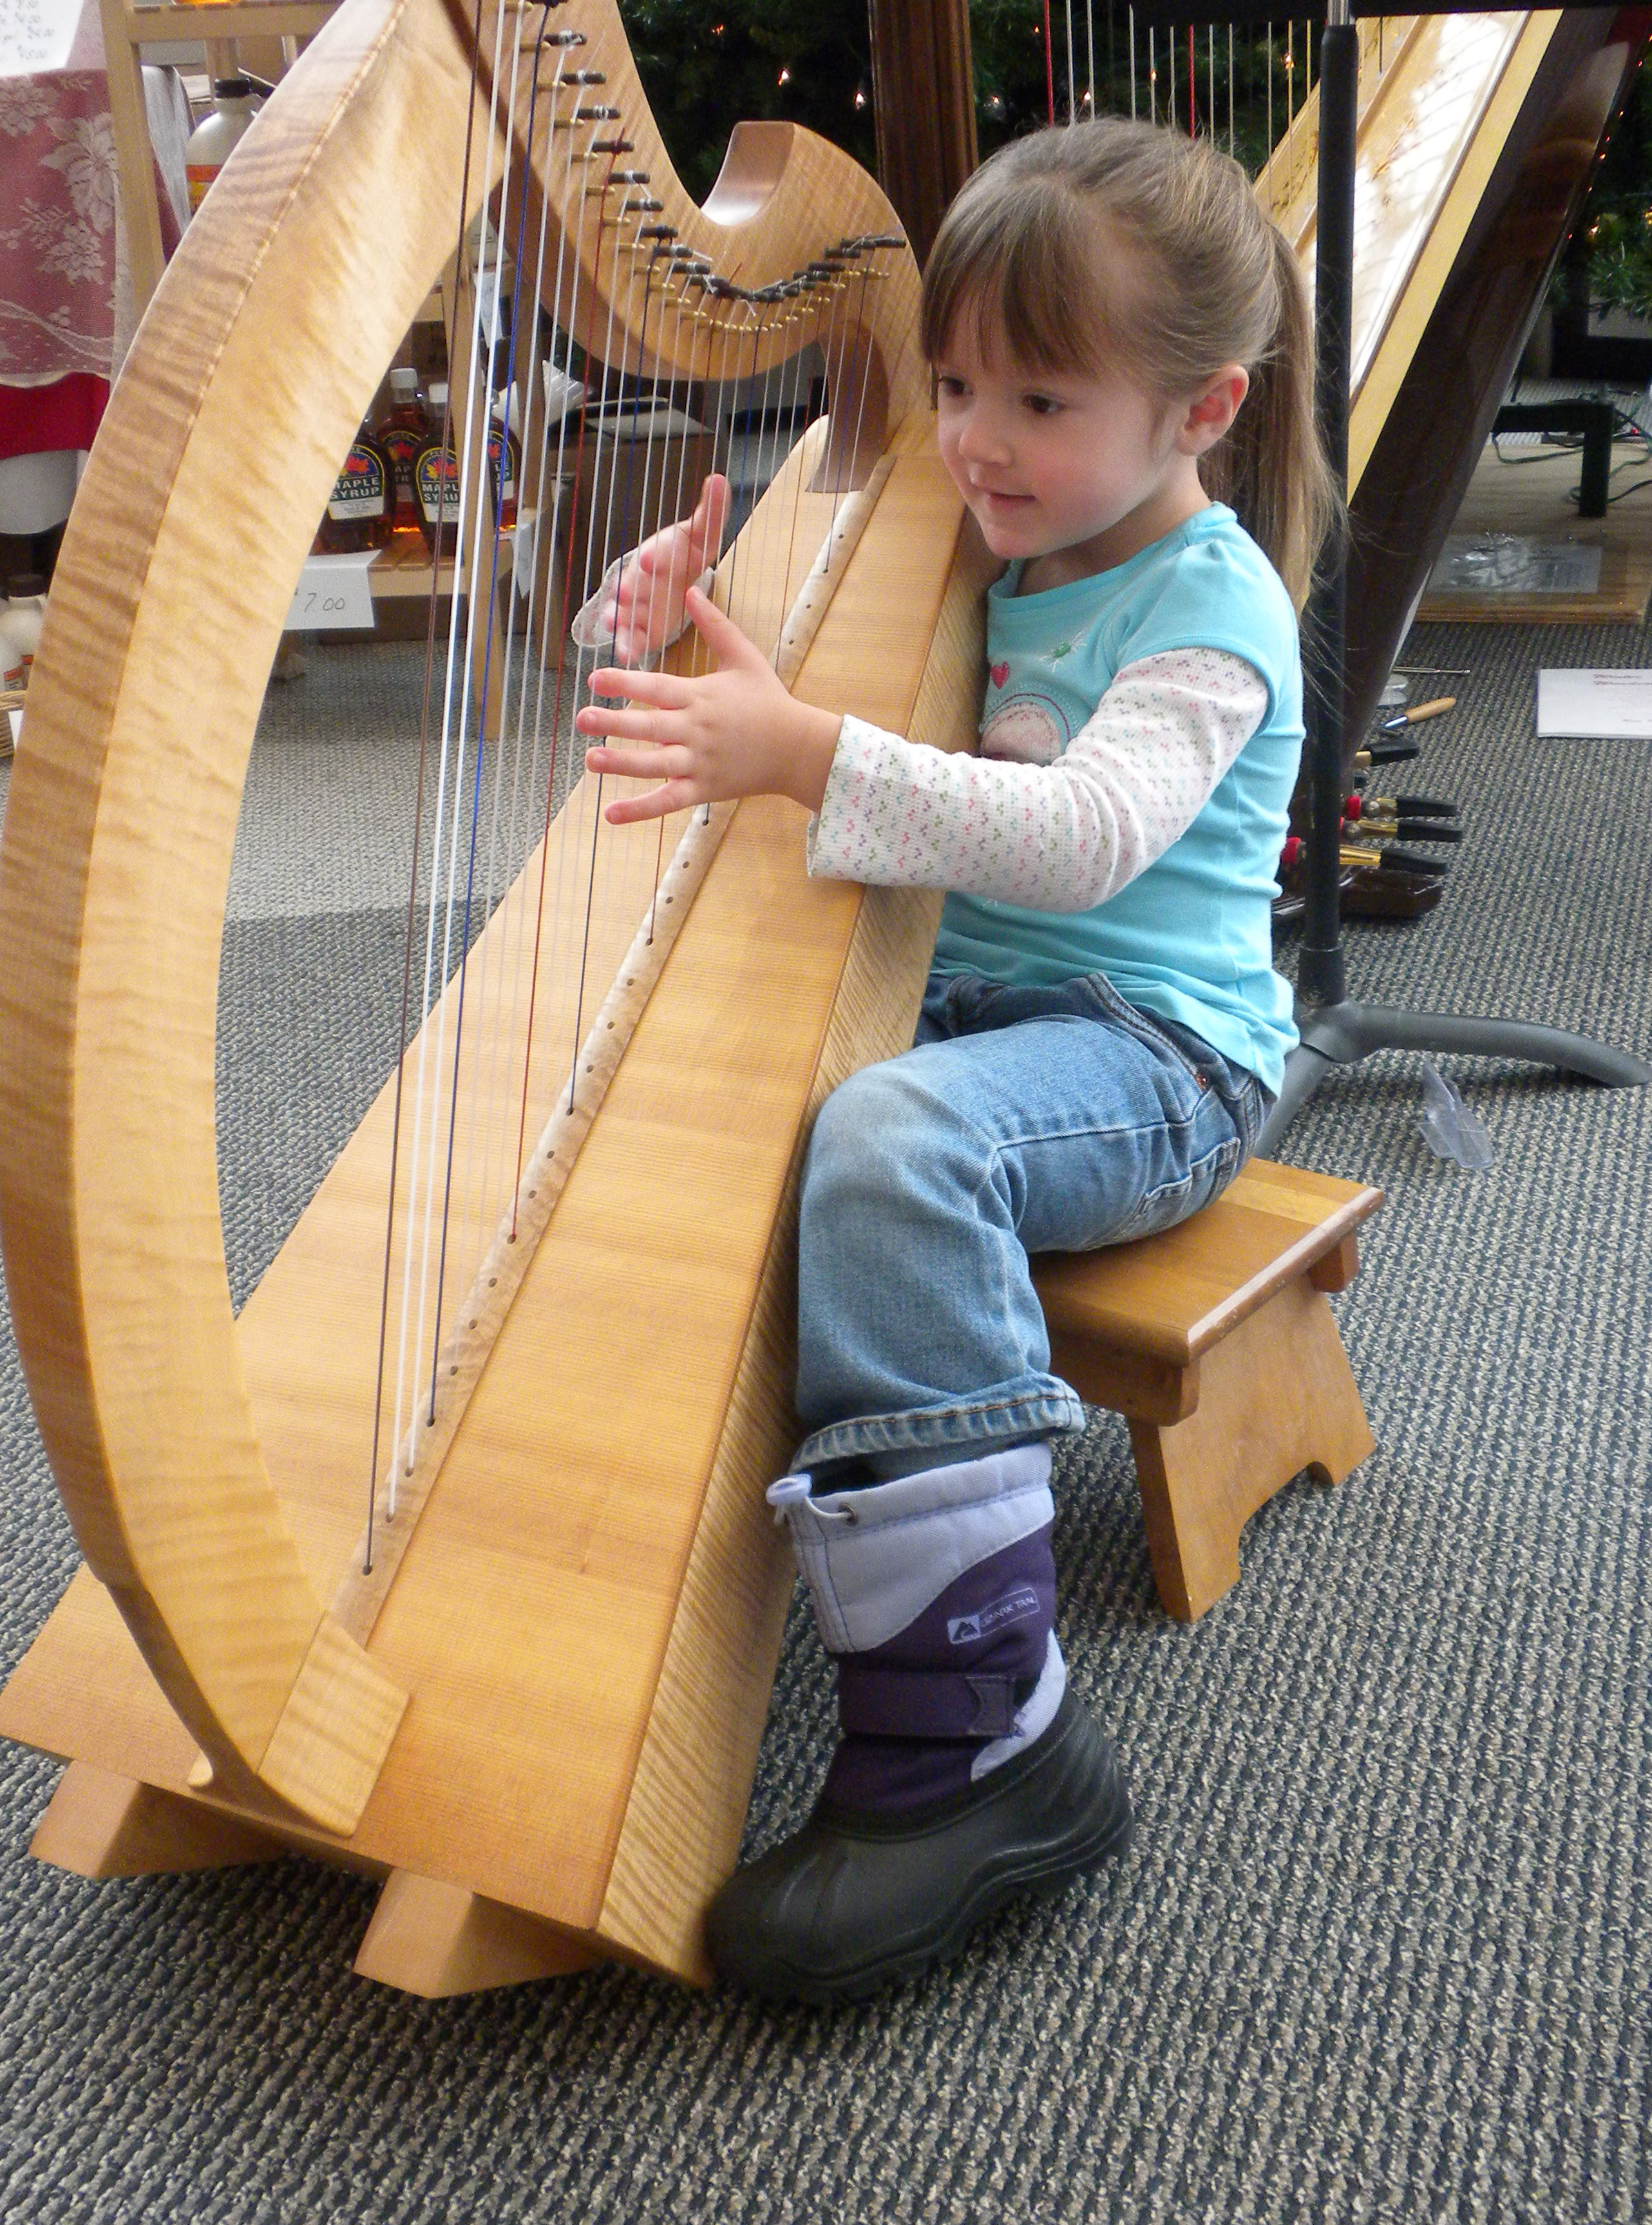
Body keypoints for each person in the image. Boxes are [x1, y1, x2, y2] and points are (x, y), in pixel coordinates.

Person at [573, 119, 1340, 2004]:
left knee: (894, 1140)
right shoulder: (986, 532)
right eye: (950, 385)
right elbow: (803, 713)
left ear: (1202, 407)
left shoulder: (1208, 609)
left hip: (1149, 1052)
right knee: (693, 1111)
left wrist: (804, 753)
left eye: (1039, 395)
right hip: (971, 1014)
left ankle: (979, 1744)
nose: (976, 439)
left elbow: (1075, 837)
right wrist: (670, 624)